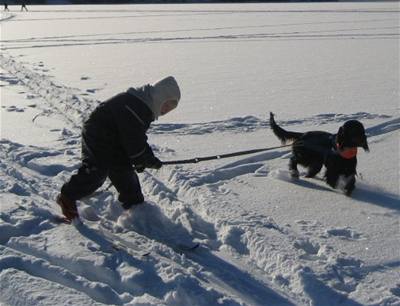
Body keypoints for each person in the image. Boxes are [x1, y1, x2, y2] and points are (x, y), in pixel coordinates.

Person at [57, 76, 181, 221]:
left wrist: (148, 158)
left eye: (171, 108)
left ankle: (135, 205)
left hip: (115, 138)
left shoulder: (143, 105)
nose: (166, 110)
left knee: (123, 169)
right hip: (98, 134)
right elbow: (133, 140)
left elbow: (137, 139)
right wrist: (143, 158)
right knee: (98, 169)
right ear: (161, 96)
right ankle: (67, 196)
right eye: (168, 104)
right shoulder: (137, 106)